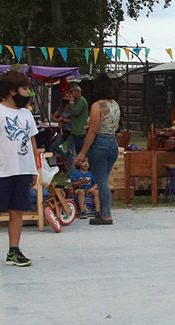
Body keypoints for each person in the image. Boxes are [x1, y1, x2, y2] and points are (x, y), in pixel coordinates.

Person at [0, 69, 40, 267]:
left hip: (23, 170)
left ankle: (14, 250)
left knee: (17, 210)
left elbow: (32, 142)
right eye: (24, 88)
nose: (28, 92)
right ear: (12, 91)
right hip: (1, 171)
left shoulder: (27, 114)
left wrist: (35, 169)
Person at [74, 73, 122, 224]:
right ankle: (103, 211)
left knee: (101, 181)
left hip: (100, 144)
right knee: (104, 180)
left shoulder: (98, 105)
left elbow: (93, 130)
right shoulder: (114, 104)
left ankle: (105, 215)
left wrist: (82, 153)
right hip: (113, 143)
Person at [64, 84, 89, 157]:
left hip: (79, 131)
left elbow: (75, 112)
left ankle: (78, 165)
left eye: (71, 92)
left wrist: (71, 102)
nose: (70, 94)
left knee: (78, 150)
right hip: (74, 130)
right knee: (68, 148)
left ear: (77, 92)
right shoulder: (77, 101)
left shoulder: (81, 101)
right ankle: (71, 163)